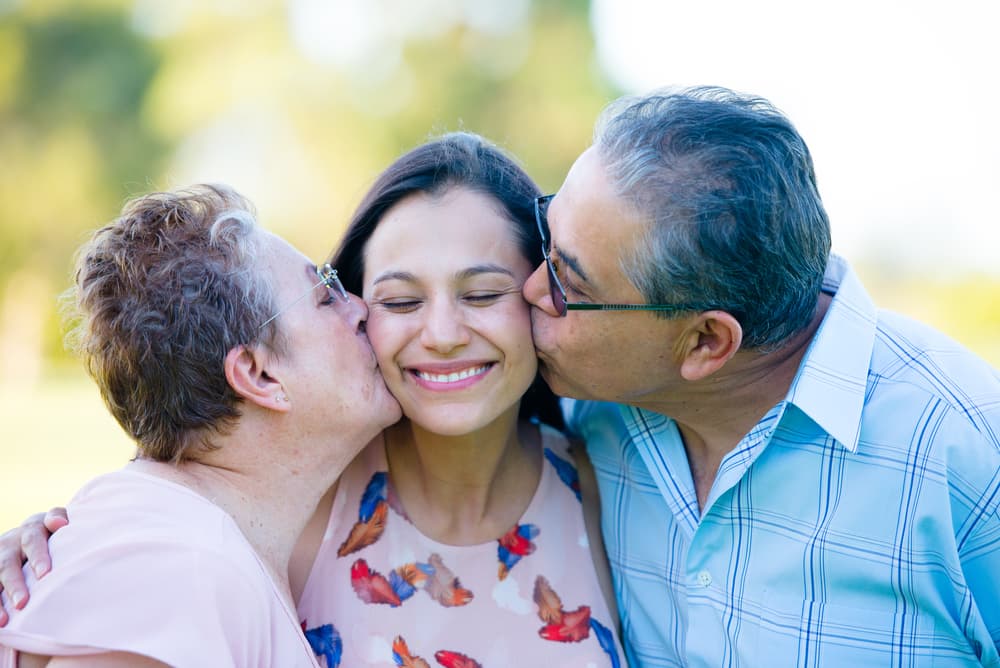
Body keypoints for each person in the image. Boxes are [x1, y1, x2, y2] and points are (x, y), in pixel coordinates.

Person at [0, 135, 626, 668]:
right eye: (394, 301)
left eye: (484, 294)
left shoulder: (617, 475)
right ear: (257, 373)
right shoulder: (204, 547)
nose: (438, 334)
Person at [518, 86, 1000, 666]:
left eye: (571, 285)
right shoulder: (580, 410)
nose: (531, 290)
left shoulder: (969, 455)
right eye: (547, 235)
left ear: (705, 343)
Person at [0, 185, 402, 666]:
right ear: (258, 374)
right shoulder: (176, 570)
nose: (360, 307)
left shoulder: (175, 546)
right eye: (324, 295)